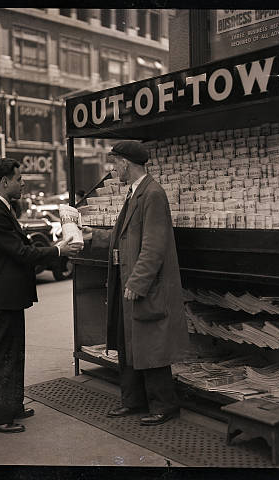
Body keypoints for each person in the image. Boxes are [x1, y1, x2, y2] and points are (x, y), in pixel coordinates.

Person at [85, 141, 189, 426]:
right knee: (129, 344)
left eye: (115, 163)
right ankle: (133, 401)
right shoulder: (135, 193)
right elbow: (124, 238)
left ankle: (164, 406)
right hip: (128, 280)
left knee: (150, 346)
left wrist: (139, 281)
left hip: (141, 284)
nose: (113, 168)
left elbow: (154, 245)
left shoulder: (152, 194)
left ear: (127, 164)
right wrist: (92, 235)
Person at [0, 158, 82, 433]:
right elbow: (21, 253)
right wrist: (59, 250)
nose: (23, 183)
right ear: (5, 182)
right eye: (19, 178)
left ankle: (11, 405)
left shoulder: (3, 209)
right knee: (2, 355)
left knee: (14, 352)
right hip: (2, 297)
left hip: (9, 296)